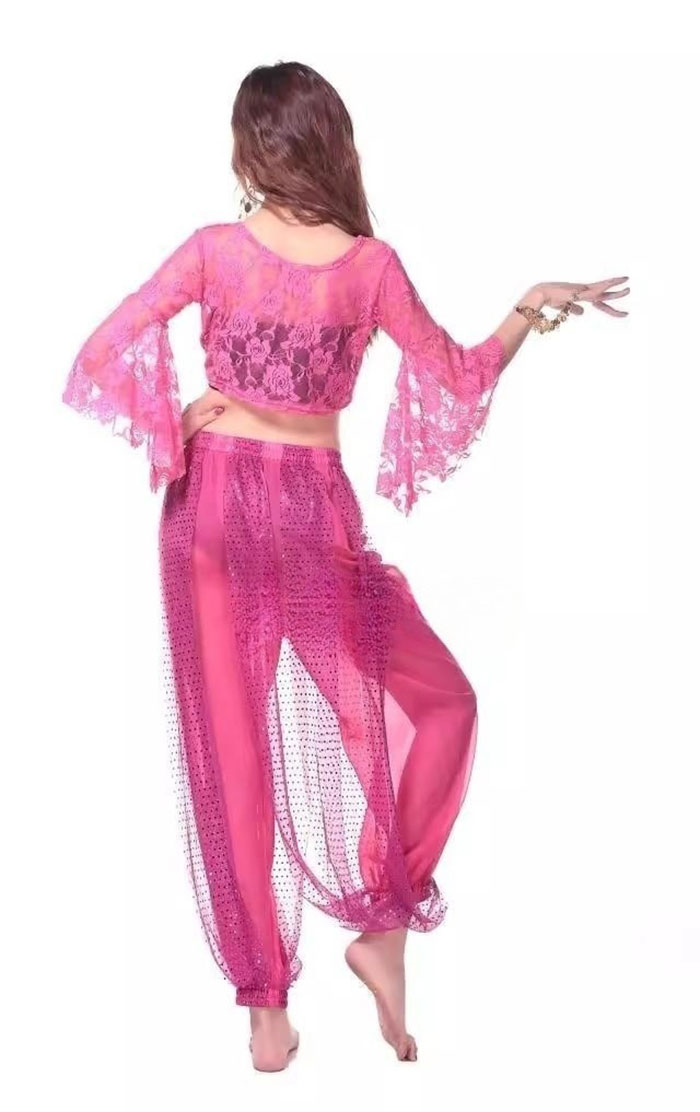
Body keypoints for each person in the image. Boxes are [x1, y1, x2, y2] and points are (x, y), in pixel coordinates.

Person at [61, 61, 629, 1072]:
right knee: (440, 704)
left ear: (252, 148)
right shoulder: (368, 266)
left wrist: (178, 422)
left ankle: (276, 1006)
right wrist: (527, 309)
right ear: (333, 143)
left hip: (215, 511)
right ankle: (369, 930)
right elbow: (457, 374)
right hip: (302, 512)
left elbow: (104, 349)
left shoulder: (215, 250)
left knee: (244, 752)